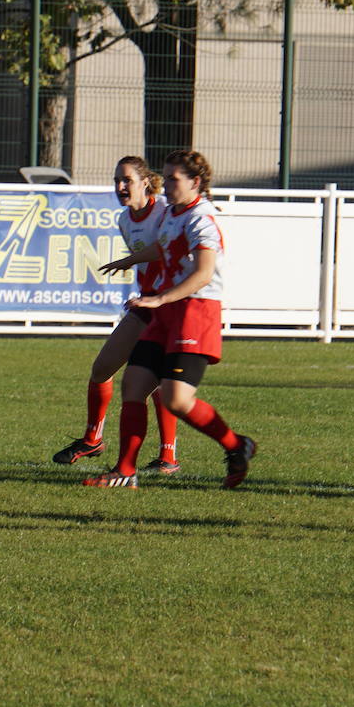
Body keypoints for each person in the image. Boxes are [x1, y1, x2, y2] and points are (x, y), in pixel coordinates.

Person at [90, 149, 255, 490]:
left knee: (176, 400)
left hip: (195, 312)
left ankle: (236, 445)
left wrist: (160, 297)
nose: (165, 184)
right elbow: (163, 247)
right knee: (133, 386)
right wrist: (130, 260)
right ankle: (125, 471)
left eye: (173, 179)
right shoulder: (172, 213)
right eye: (165, 177)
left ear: (196, 182)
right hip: (165, 313)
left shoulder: (201, 220)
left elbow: (204, 273)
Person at [52, 156, 182, 477]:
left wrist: (129, 263)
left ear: (145, 183)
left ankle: (167, 457)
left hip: (171, 307)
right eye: (116, 181)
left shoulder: (165, 212)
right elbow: (148, 265)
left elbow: (167, 250)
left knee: (154, 382)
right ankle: (93, 439)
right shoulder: (125, 220)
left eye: (127, 180)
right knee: (102, 369)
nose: (120, 187)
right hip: (145, 305)